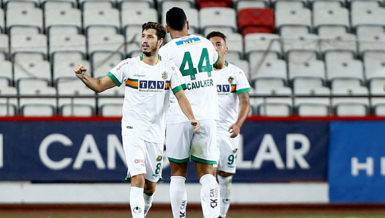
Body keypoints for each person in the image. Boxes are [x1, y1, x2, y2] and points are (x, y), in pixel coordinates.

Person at [74, 22, 200, 218]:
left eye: (150, 37)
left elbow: (181, 96)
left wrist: (191, 118)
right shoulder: (129, 65)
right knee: (138, 178)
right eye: (143, 36)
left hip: (156, 134)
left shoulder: (169, 68)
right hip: (133, 130)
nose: (144, 40)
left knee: (150, 188)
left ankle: (144, 207)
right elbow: (99, 86)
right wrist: (84, 77)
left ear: (159, 41)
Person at [159, 7, 224, 218]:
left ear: (168, 28)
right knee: (207, 174)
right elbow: (218, 63)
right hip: (207, 116)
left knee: (177, 174)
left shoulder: (165, 51)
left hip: (179, 116)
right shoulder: (205, 43)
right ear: (187, 24)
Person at [207, 31, 251, 218]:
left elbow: (245, 102)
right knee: (210, 177)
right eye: (211, 45)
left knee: (225, 178)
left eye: (218, 44)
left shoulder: (236, 73)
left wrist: (238, 124)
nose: (215, 48)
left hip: (228, 134)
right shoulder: (201, 74)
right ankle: (211, 214)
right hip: (207, 133)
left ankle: (221, 215)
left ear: (226, 49)